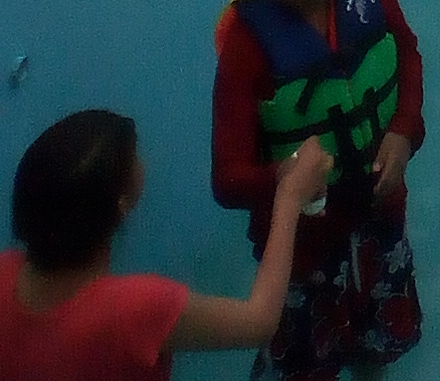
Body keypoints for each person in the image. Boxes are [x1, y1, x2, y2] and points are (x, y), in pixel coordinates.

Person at [208, 0, 425, 378]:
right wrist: (286, 179)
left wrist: (403, 132)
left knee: (378, 340)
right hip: (302, 251)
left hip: (380, 212)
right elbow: (227, 179)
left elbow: (407, 58)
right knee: (305, 363)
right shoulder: (247, 49)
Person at [4, 113, 329, 376]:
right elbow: (259, 323)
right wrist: (289, 197)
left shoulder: (6, 271)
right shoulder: (135, 309)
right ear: (121, 204)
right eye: (134, 156)